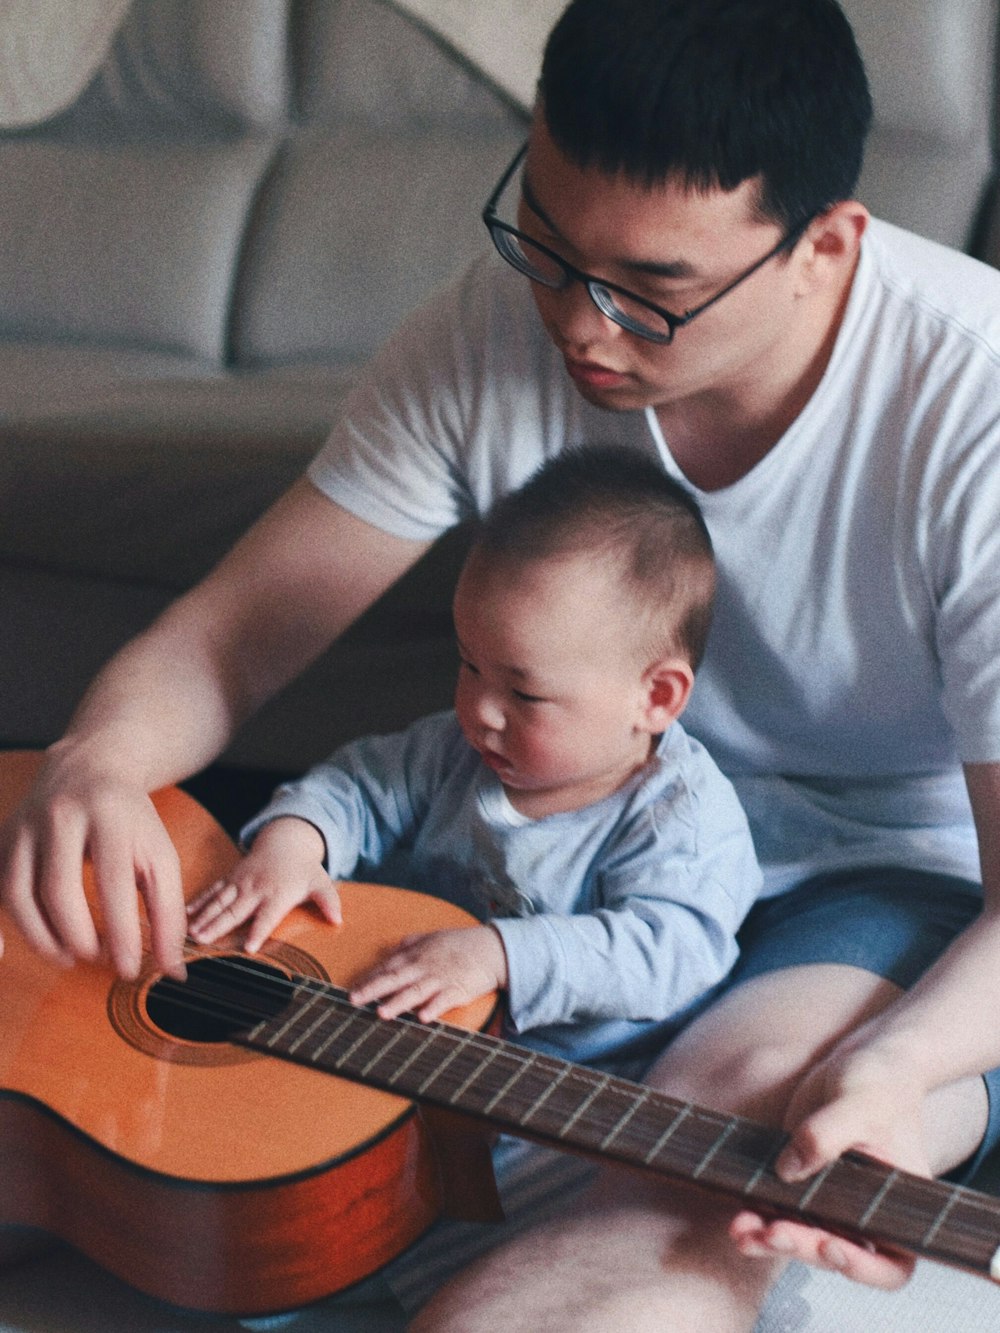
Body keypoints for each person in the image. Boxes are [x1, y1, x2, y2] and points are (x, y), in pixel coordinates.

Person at [3, 0, 1000, 1327]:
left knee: (713, 1134)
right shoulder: (493, 325)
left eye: (649, 293)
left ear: (827, 245)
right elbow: (236, 634)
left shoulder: (973, 405)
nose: (580, 328)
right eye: (545, 242)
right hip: (544, 831)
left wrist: (899, 1067)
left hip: (868, 877)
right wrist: (100, 760)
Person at [186, 445, 761, 1073]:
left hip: (562, 1077)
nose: (481, 710)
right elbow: (358, 788)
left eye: (524, 693)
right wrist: (293, 846)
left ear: (655, 698)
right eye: (469, 664)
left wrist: (500, 955)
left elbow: (670, 952)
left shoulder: (683, 818)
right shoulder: (453, 751)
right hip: (398, 1022)